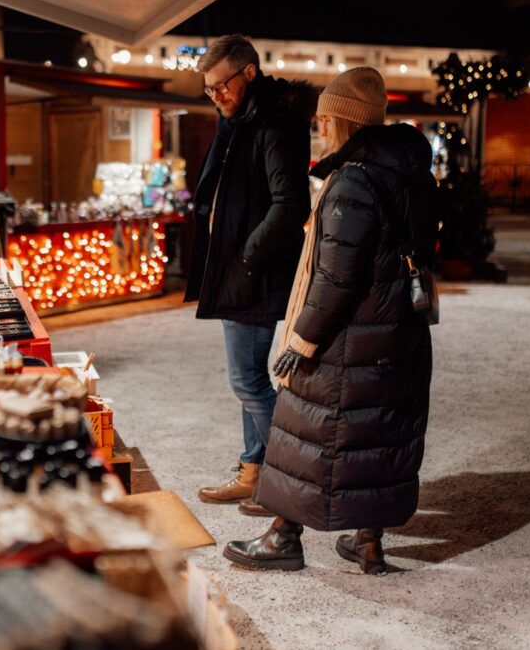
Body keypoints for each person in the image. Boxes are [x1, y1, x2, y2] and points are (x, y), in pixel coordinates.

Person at [223, 67, 438, 573]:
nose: (319, 127)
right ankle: (367, 541)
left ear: (345, 120)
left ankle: (282, 536)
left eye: (325, 118)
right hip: (399, 334)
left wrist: (301, 340)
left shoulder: (351, 183)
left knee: (302, 430)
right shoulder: (415, 176)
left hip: (349, 339)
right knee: (378, 436)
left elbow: (335, 280)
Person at [185, 34, 316, 514]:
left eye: (221, 86)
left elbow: (290, 204)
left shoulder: (274, 123)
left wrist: (246, 257)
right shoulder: (240, 121)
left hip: (252, 270)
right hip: (236, 266)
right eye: (208, 90)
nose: (216, 96)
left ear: (250, 73)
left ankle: (296, 473)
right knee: (249, 379)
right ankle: (254, 473)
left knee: (246, 382)